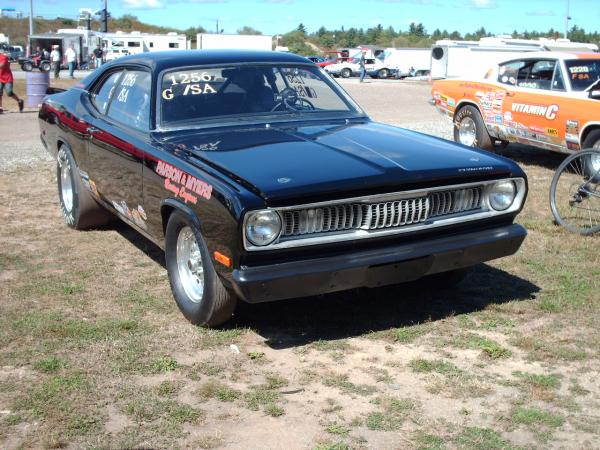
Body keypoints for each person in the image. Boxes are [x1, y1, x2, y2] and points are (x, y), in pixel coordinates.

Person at [0, 49, 24, 113]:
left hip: (7, 78)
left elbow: (1, 66)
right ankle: (0, 107)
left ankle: (19, 101)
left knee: (9, 92)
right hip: (0, 78)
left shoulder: (3, 57)